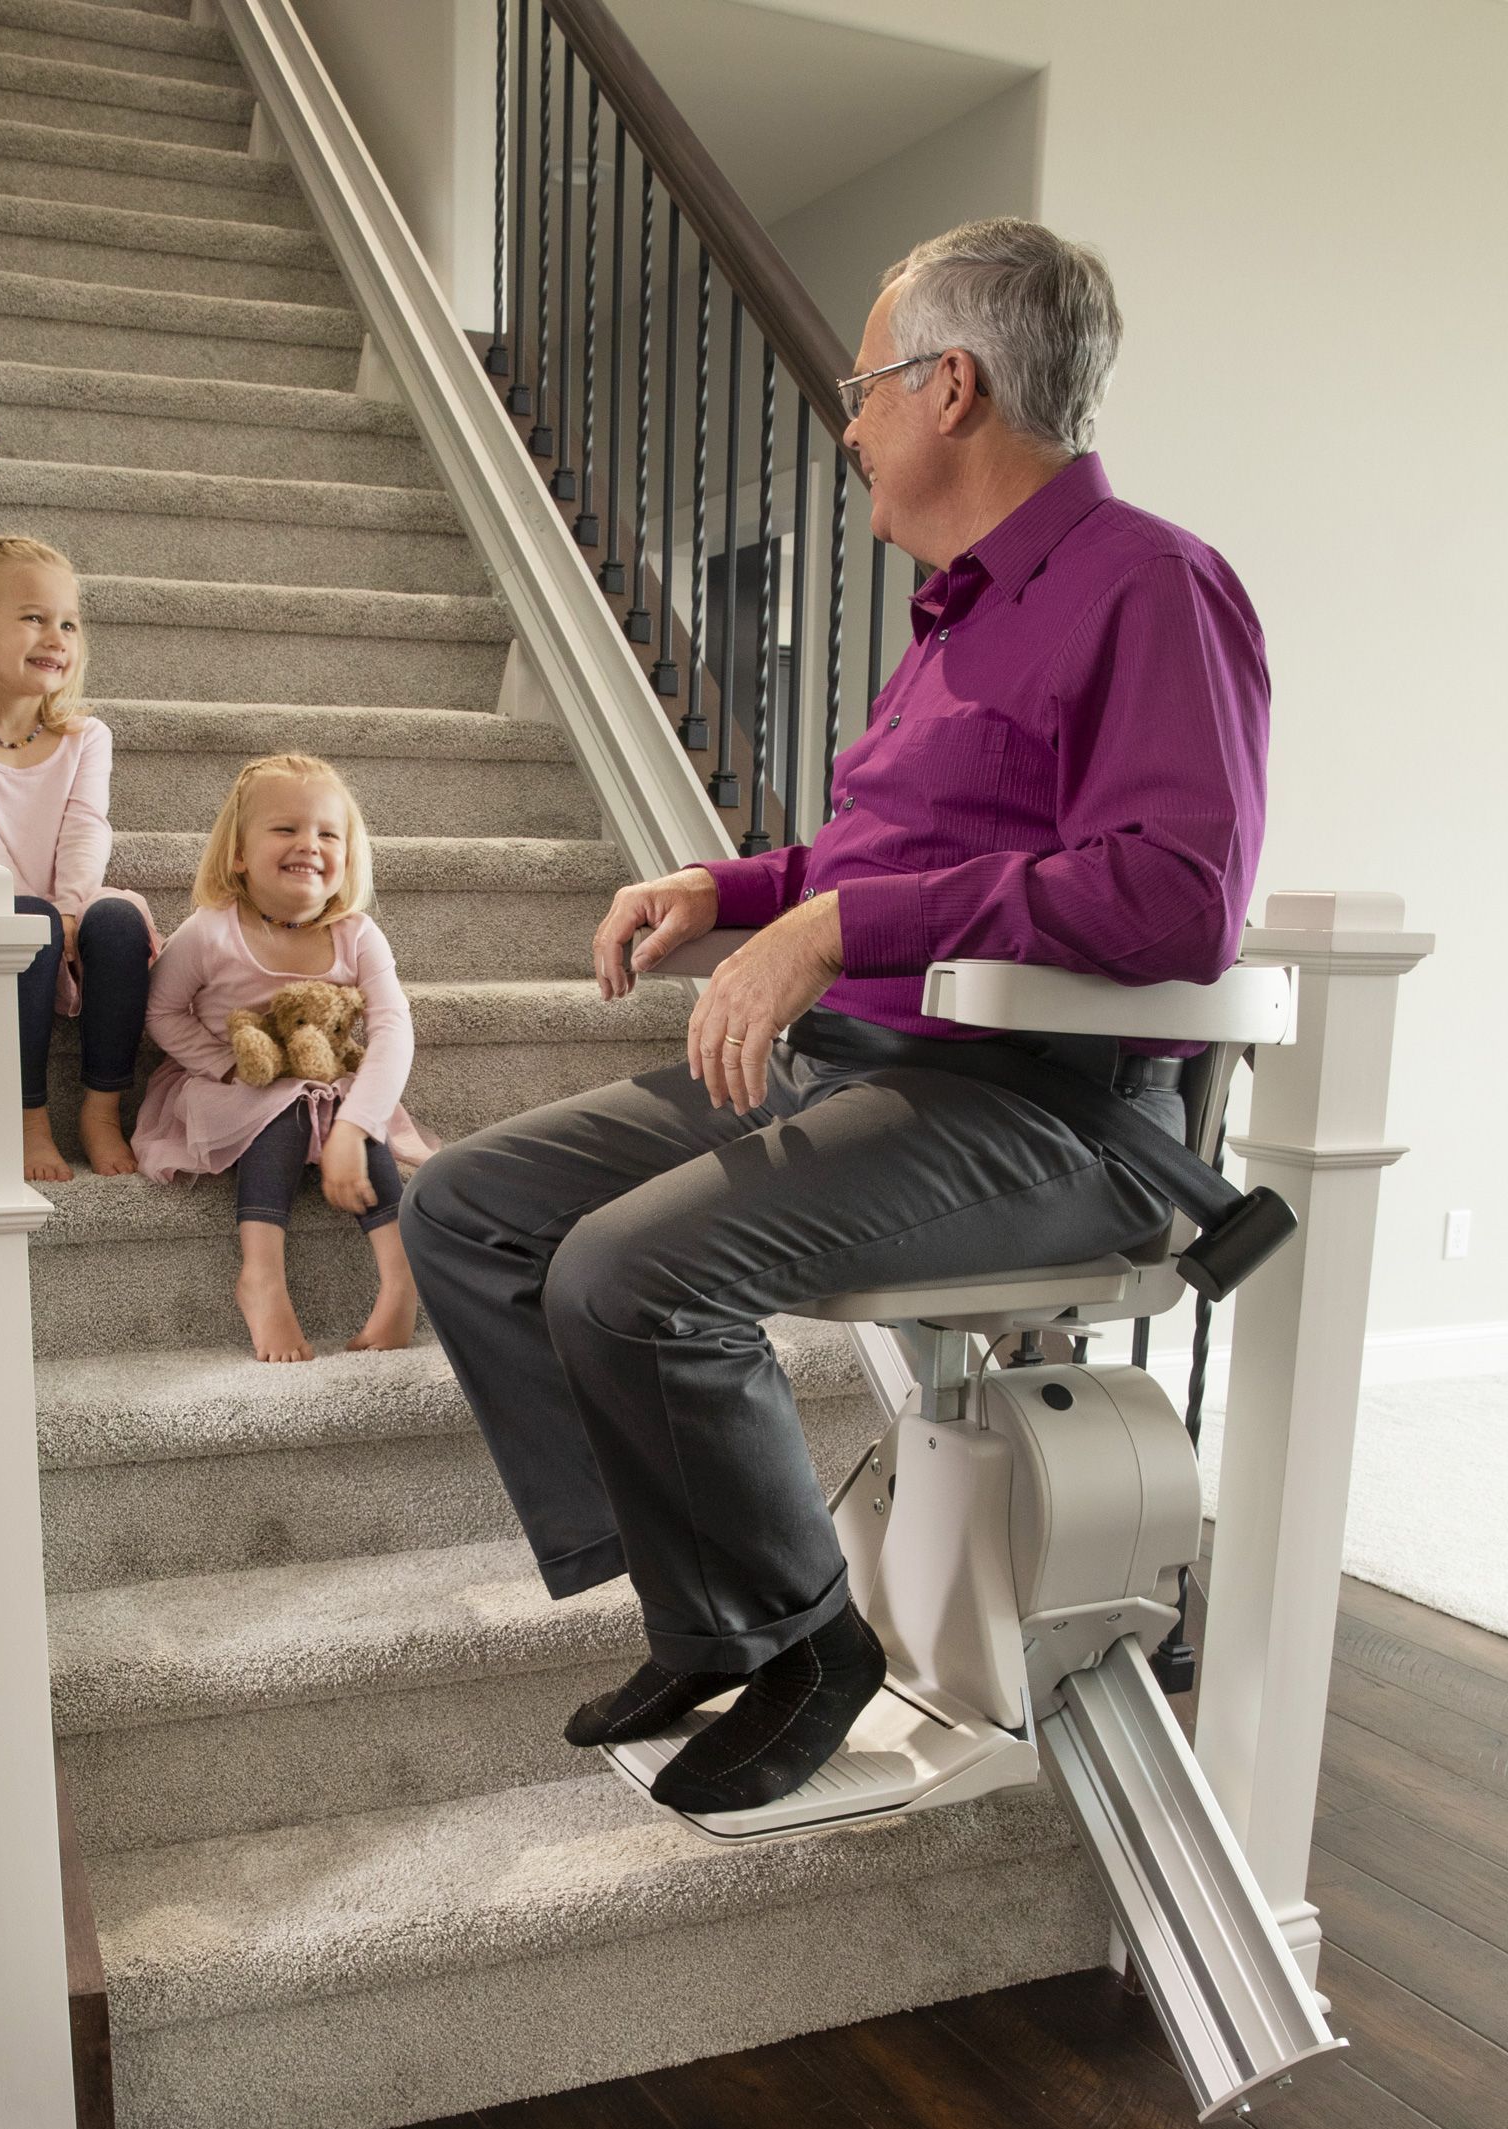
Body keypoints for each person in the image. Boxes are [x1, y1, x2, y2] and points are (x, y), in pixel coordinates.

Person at [401, 218, 1270, 1816]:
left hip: (1039, 1115)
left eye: (864, 386)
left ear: (951, 388)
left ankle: (808, 1639)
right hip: (860, 1068)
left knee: (627, 1271)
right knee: (466, 1207)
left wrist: (848, 920)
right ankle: (707, 1605)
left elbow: (1174, 897)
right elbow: (881, 857)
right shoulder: (956, 614)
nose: (845, 418)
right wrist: (735, 892)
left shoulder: (1154, 587)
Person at [131, 753, 430, 1361]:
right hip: (230, 1086)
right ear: (239, 853)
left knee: (349, 1108)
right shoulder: (211, 931)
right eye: (286, 829)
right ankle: (261, 1276)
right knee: (289, 1104)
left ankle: (402, 1281)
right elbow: (160, 1011)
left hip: (330, 1087)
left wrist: (356, 1123)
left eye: (328, 832)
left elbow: (393, 1029)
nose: (309, 844)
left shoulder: (356, 933)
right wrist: (227, 1064)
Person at [0, 535, 156, 1183]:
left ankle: (102, 1110)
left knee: (120, 922)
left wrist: (73, 909)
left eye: (68, 622)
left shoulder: (85, 736)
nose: (55, 636)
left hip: (69, 906)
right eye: (32, 617)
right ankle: (27, 1117)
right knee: (27, 918)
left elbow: (86, 825)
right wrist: (47, 918)